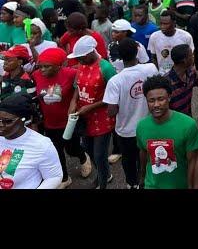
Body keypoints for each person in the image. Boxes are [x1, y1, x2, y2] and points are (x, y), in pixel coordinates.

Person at [103, 38, 159, 189]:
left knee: (129, 159)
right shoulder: (151, 69)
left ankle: (131, 183)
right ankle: (146, 182)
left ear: (120, 56)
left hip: (126, 131)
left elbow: (111, 111)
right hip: (149, 126)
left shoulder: (115, 81)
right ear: (137, 52)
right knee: (148, 157)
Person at [32, 47, 91, 188]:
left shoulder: (71, 74)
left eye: (47, 66)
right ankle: (64, 178)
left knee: (71, 149)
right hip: (49, 122)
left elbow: (80, 86)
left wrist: (73, 102)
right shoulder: (36, 75)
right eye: (41, 66)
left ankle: (83, 157)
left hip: (68, 121)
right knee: (56, 151)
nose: (43, 70)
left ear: (59, 66)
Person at [67, 35, 117, 189]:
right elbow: (77, 87)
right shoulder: (81, 65)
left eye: (80, 57)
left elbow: (114, 95)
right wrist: (73, 102)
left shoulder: (106, 68)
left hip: (102, 118)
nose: (78, 61)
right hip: (84, 118)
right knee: (88, 149)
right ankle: (105, 174)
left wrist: (90, 107)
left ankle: (102, 183)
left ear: (89, 54)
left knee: (99, 154)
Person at [136, 74, 198, 189]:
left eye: (161, 99)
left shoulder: (188, 125)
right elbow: (143, 154)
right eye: (151, 100)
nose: (156, 105)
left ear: (169, 97)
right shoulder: (141, 126)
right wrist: (142, 178)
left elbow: (193, 162)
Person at [0, 93, 63, 189]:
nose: (1, 125)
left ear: (23, 119)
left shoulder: (42, 145)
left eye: (7, 121)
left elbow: (54, 177)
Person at [166, 44, 198, 116]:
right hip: (173, 121)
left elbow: (197, 81)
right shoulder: (167, 83)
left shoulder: (190, 72)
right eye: (191, 55)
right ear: (184, 61)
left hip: (188, 117)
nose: (193, 56)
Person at [147, 11, 195, 75]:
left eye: (166, 24)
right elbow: (153, 57)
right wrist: (157, 73)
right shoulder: (154, 37)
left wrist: (190, 73)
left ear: (174, 23)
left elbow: (191, 57)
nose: (162, 26)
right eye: (161, 23)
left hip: (182, 75)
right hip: (162, 75)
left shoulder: (186, 36)